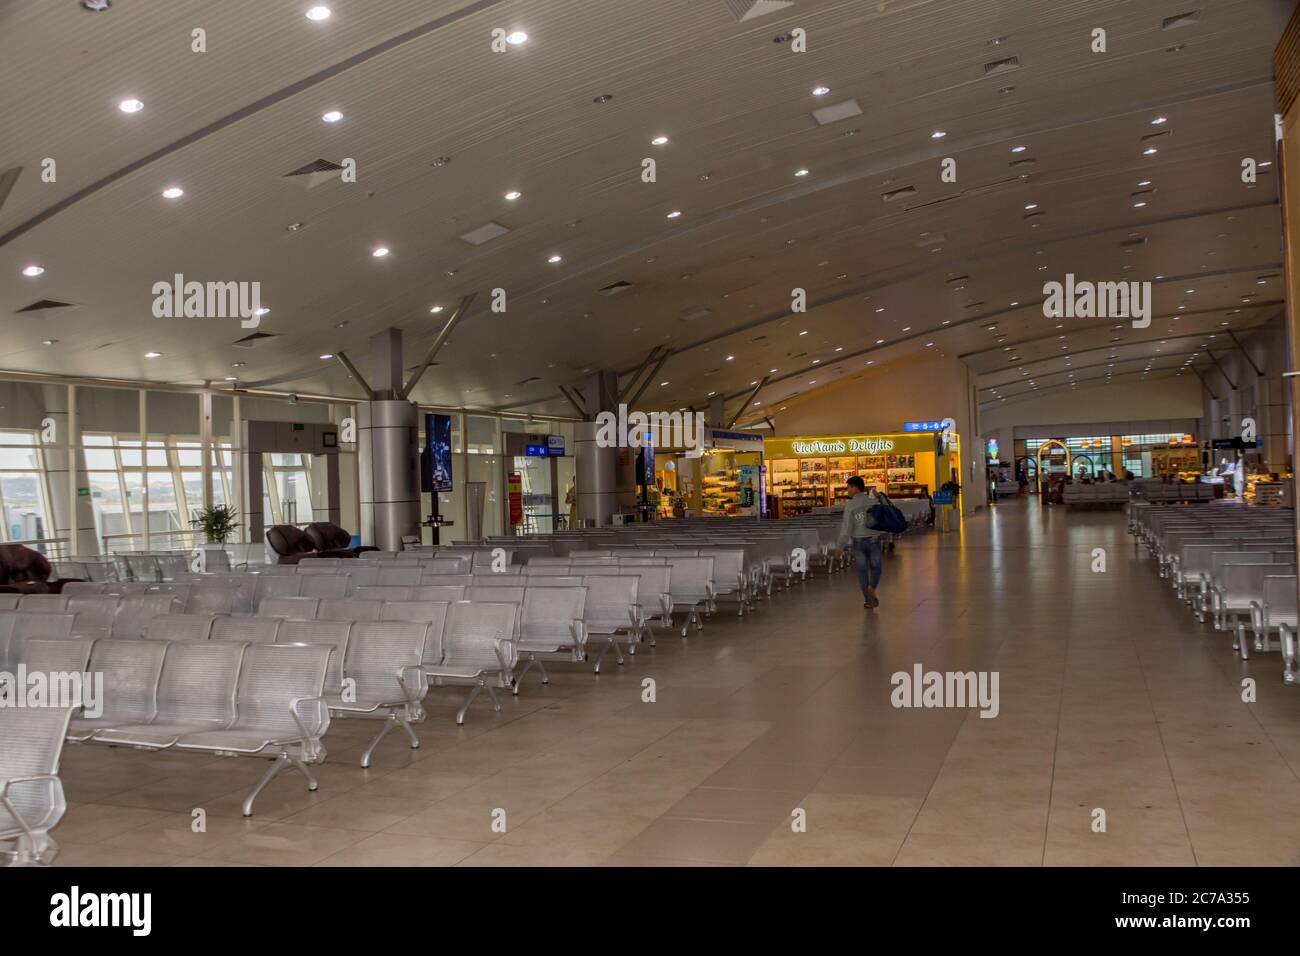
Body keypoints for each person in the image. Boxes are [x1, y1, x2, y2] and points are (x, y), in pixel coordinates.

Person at [837, 476, 887, 609]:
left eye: (848, 487)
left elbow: (846, 527)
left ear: (854, 487)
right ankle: (872, 587)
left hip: (858, 541)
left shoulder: (850, 505)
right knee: (876, 567)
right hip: (874, 539)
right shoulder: (873, 501)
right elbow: (887, 511)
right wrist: (880, 497)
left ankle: (867, 599)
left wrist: (840, 546)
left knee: (862, 571)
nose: (847, 490)